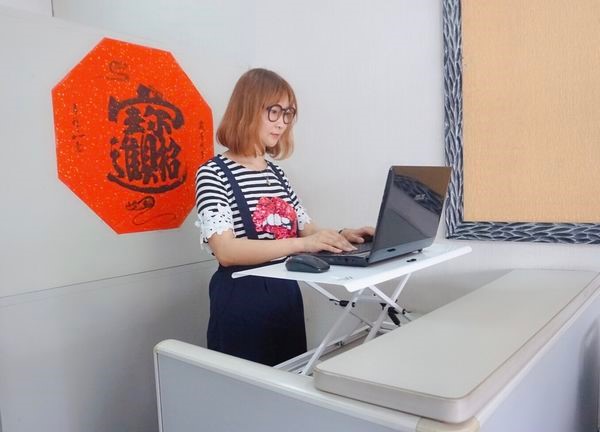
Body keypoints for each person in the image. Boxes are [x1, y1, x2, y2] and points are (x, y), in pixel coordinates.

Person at [195, 68, 374, 366]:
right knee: (246, 387)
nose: (281, 123)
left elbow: (305, 229)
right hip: (241, 299)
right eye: (273, 112)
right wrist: (301, 245)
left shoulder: (277, 173)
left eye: (288, 114)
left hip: (285, 293)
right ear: (247, 108)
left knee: (289, 378)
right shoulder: (213, 173)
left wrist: (342, 235)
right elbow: (226, 251)